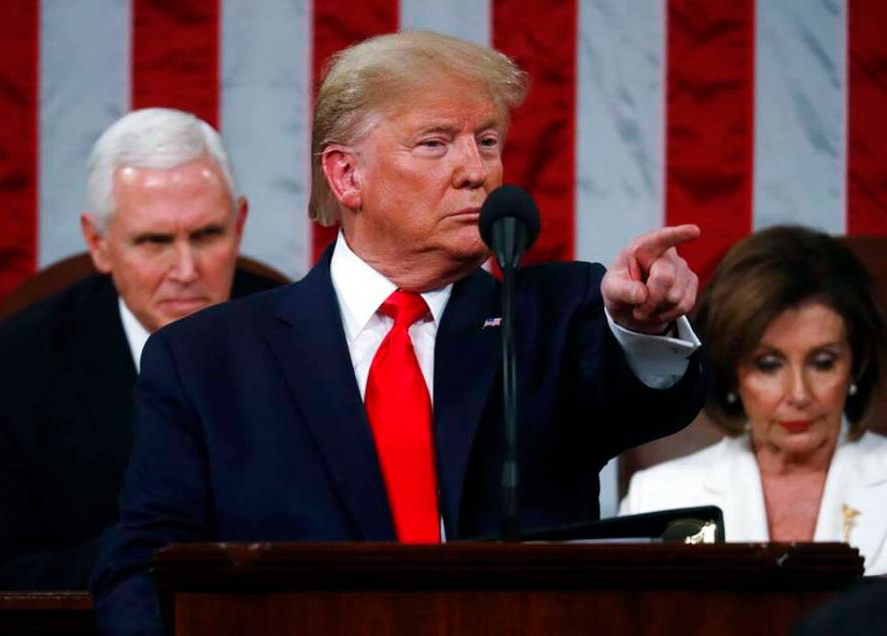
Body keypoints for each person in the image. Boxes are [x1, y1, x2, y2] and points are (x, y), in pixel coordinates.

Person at [91, 32, 707, 634]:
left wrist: (641, 327)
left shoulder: (553, 315)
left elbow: (639, 403)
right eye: (436, 143)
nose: (477, 170)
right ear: (346, 176)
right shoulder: (207, 359)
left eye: (487, 140)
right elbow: (145, 564)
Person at [0, 108, 283, 590]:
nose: (185, 269)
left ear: (240, 223)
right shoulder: (11, 368)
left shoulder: (298, 333)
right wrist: (162, 557)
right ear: (98, 243)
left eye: (207, 235)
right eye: (154, 241)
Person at [620, 226, 887, 575]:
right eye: (768, 365)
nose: (799, 394)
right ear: (733, 373)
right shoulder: (658, 499)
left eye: (823, 362)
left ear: (856, 366)